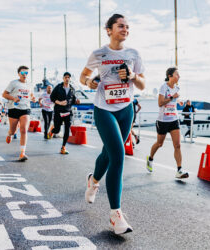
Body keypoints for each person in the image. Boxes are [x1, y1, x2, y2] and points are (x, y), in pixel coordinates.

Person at [79, 14, 146, 235]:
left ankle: (93, 180)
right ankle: (115, 215)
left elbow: (143, 84)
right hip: (104, 109)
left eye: (127, 26)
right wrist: (90, 81)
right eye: (120, 26)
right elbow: (83, 77)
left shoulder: (133, 54)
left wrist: (133, 76)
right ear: (108, 30)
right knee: (118, 155)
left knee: (108, 153)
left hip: (126, 109)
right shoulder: (99, 54)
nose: (125, 29)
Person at [146, 67, 189, 180]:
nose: (179, 77)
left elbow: (174, 101)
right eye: (177, 74)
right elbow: (160, 103)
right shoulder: (163, 87)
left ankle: (179, 170)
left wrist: (178, 101)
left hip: (174, 119)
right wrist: (171, 97)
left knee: (177, 145)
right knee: (160, 143)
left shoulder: (177, 88)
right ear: (170, 76)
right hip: (163, 120)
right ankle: (150, 159)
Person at [2, 65, 35, 161]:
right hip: (14, 108)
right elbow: (4, 94)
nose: (25, 75)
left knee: (24, 130)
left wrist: (33, 98)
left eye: (27, 73)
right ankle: (9, 134)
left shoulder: (30, 84)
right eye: (23, 73)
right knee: (13, 130)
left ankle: (22, 153)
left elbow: (31, 95)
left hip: (25, 109)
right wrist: (13, 98)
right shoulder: (13, 83)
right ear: (19, 74)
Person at [48, 72, 80, 153]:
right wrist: (59, 102)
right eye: (66, 77)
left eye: (68, 77)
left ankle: (63, 147)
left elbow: (72, 100)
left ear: (70, 78)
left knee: (67, 131)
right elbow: (52, 97)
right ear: (63, 78)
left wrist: (76, 101)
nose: (67, 79)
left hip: (68, 112)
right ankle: (52, 130)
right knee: (57, 130)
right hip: (58, 111)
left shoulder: (72, 89)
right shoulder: (58, 87)